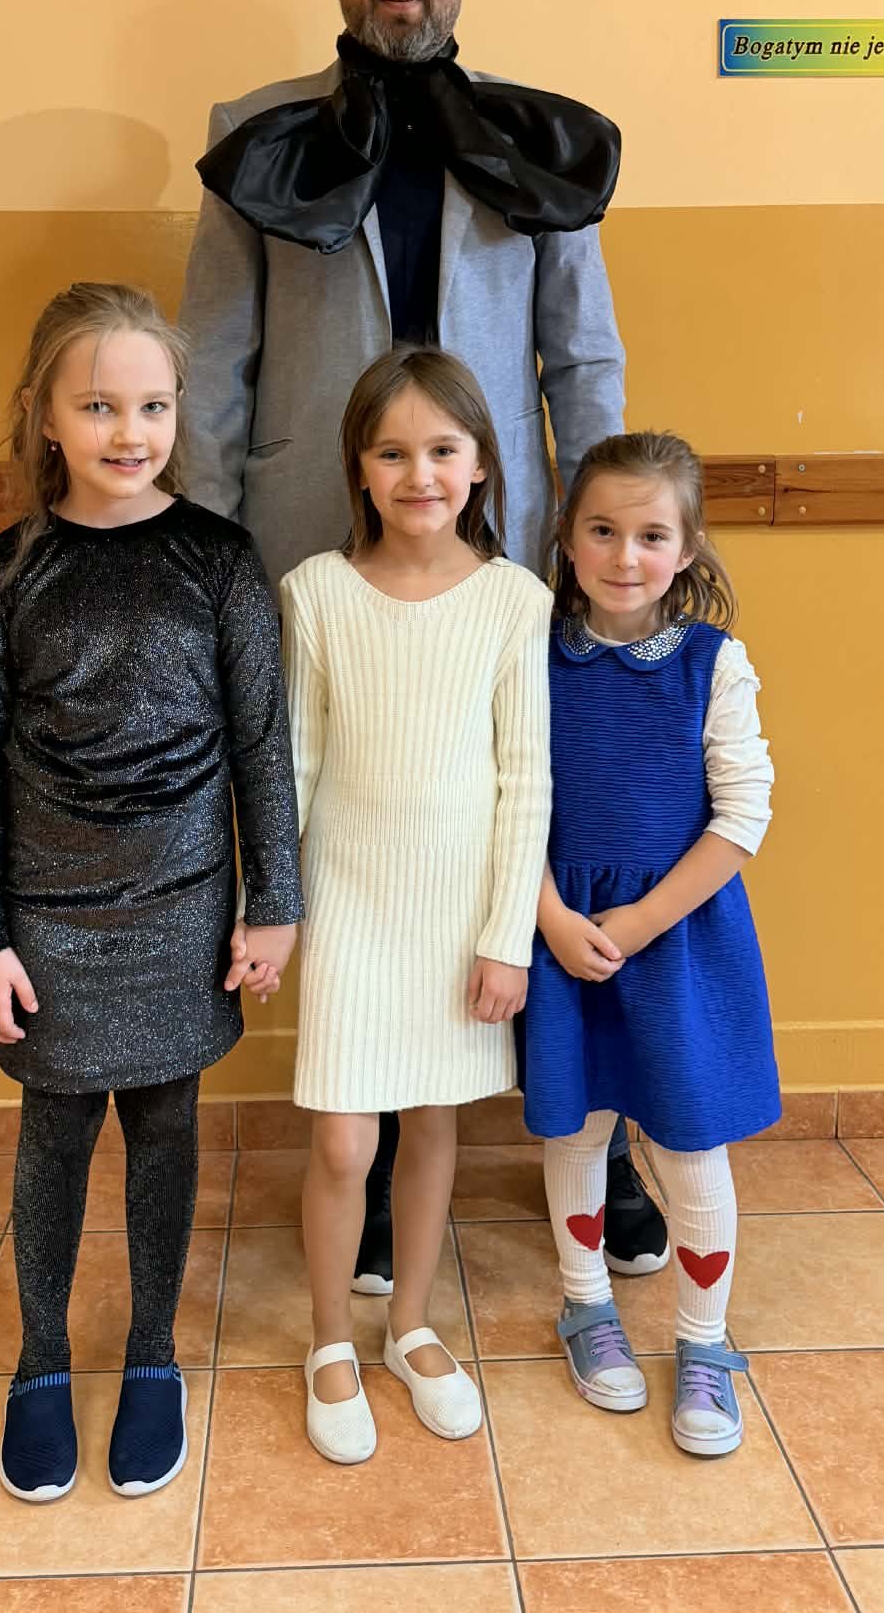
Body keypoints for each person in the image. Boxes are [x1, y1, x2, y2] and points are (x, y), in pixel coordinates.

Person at [181, 0, 666, 1287]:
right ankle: (383, 1142)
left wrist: (604, 546)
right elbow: (212, 362)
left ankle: (598, 1144)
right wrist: (206, 561)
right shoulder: (253, 135)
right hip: (311, 556)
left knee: (543, 834)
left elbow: (583, 361)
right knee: (362, 840)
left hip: (503, 565)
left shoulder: (540, 138)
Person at [0, 283, 302, 1504]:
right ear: (44, 414)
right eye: (98, 404)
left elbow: (263, 745)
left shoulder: (220, 559)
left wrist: (274, 901)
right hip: (46, 915)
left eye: (152, 404)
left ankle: (152, 1349)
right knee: (54, 1135)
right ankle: (42, 1355)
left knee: (163, 1125)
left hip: (186, 904)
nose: (128, 430)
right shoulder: (2, 574)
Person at [281, 346, 551, 1463]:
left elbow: (526, 780)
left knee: (435, 1123)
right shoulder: (316, 592)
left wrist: (506, 938)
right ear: (359, 467)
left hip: (458, 916)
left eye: (442, 449)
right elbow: (295, 764)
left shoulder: (514, 601)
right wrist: (273, 906)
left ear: (480, 462)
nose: (419, 474)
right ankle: (328, 1338)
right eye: (392, 452)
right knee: (346, 1141)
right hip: (349, 904)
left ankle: (410, 1324)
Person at [522, 431, 780, 1457]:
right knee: (577, 1128)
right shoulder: (531, 654)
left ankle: (704, 1341)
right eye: (602, 530)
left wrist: (637, 921)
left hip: (675, 943)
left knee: (688, 1141)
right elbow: (502, 801)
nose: (624, 555)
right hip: (561, 934)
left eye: (651, 535)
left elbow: (743, 814)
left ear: (688, 546)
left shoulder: (714, 665)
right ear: (567, 536)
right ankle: (586, 1304)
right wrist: (550, 914)